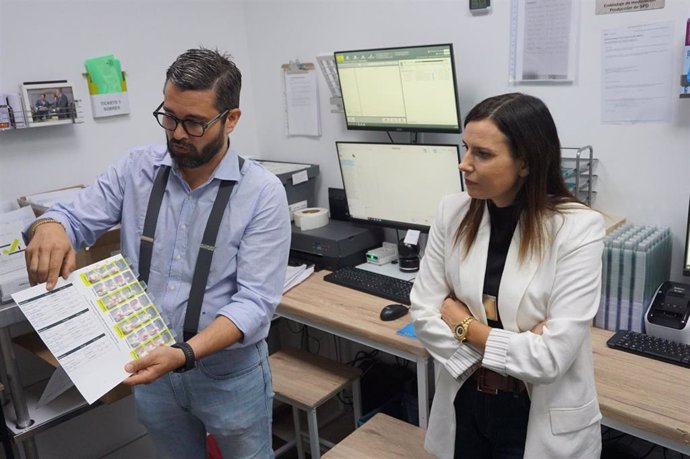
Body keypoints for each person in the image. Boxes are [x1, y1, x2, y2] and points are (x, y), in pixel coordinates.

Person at [24, 47, 291, 458]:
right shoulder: (136, 169)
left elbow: (255, 303)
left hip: (228, 375)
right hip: (151, 368)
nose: (178, 133)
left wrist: (183, 353)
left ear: (231, 119)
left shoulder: (262, 193)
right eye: (169, 117)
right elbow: (74, 218)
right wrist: (49, 226)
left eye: (194, 123)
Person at [410, 93, 604, 459]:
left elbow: (550, 358)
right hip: (465, 399)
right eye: (465, 149)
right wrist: (506, 351)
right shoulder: (453, 212)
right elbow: (422, 312)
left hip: (533, 414)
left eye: (482, 154)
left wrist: (466, 326)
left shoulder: (578, 229)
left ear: (526, 163)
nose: (464, 165)